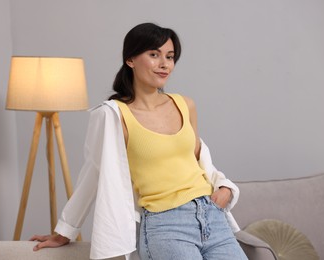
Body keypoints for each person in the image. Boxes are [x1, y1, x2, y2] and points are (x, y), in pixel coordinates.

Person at [30, 23, 247, 260]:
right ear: (130, 59)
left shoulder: (185, 104)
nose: (164, 64)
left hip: (212, 217)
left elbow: (199, 161)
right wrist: (65, 230)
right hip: (166, 225)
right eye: (154, 54)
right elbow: (94, 171)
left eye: (170, 57)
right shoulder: (113, 115)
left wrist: (225, 186)